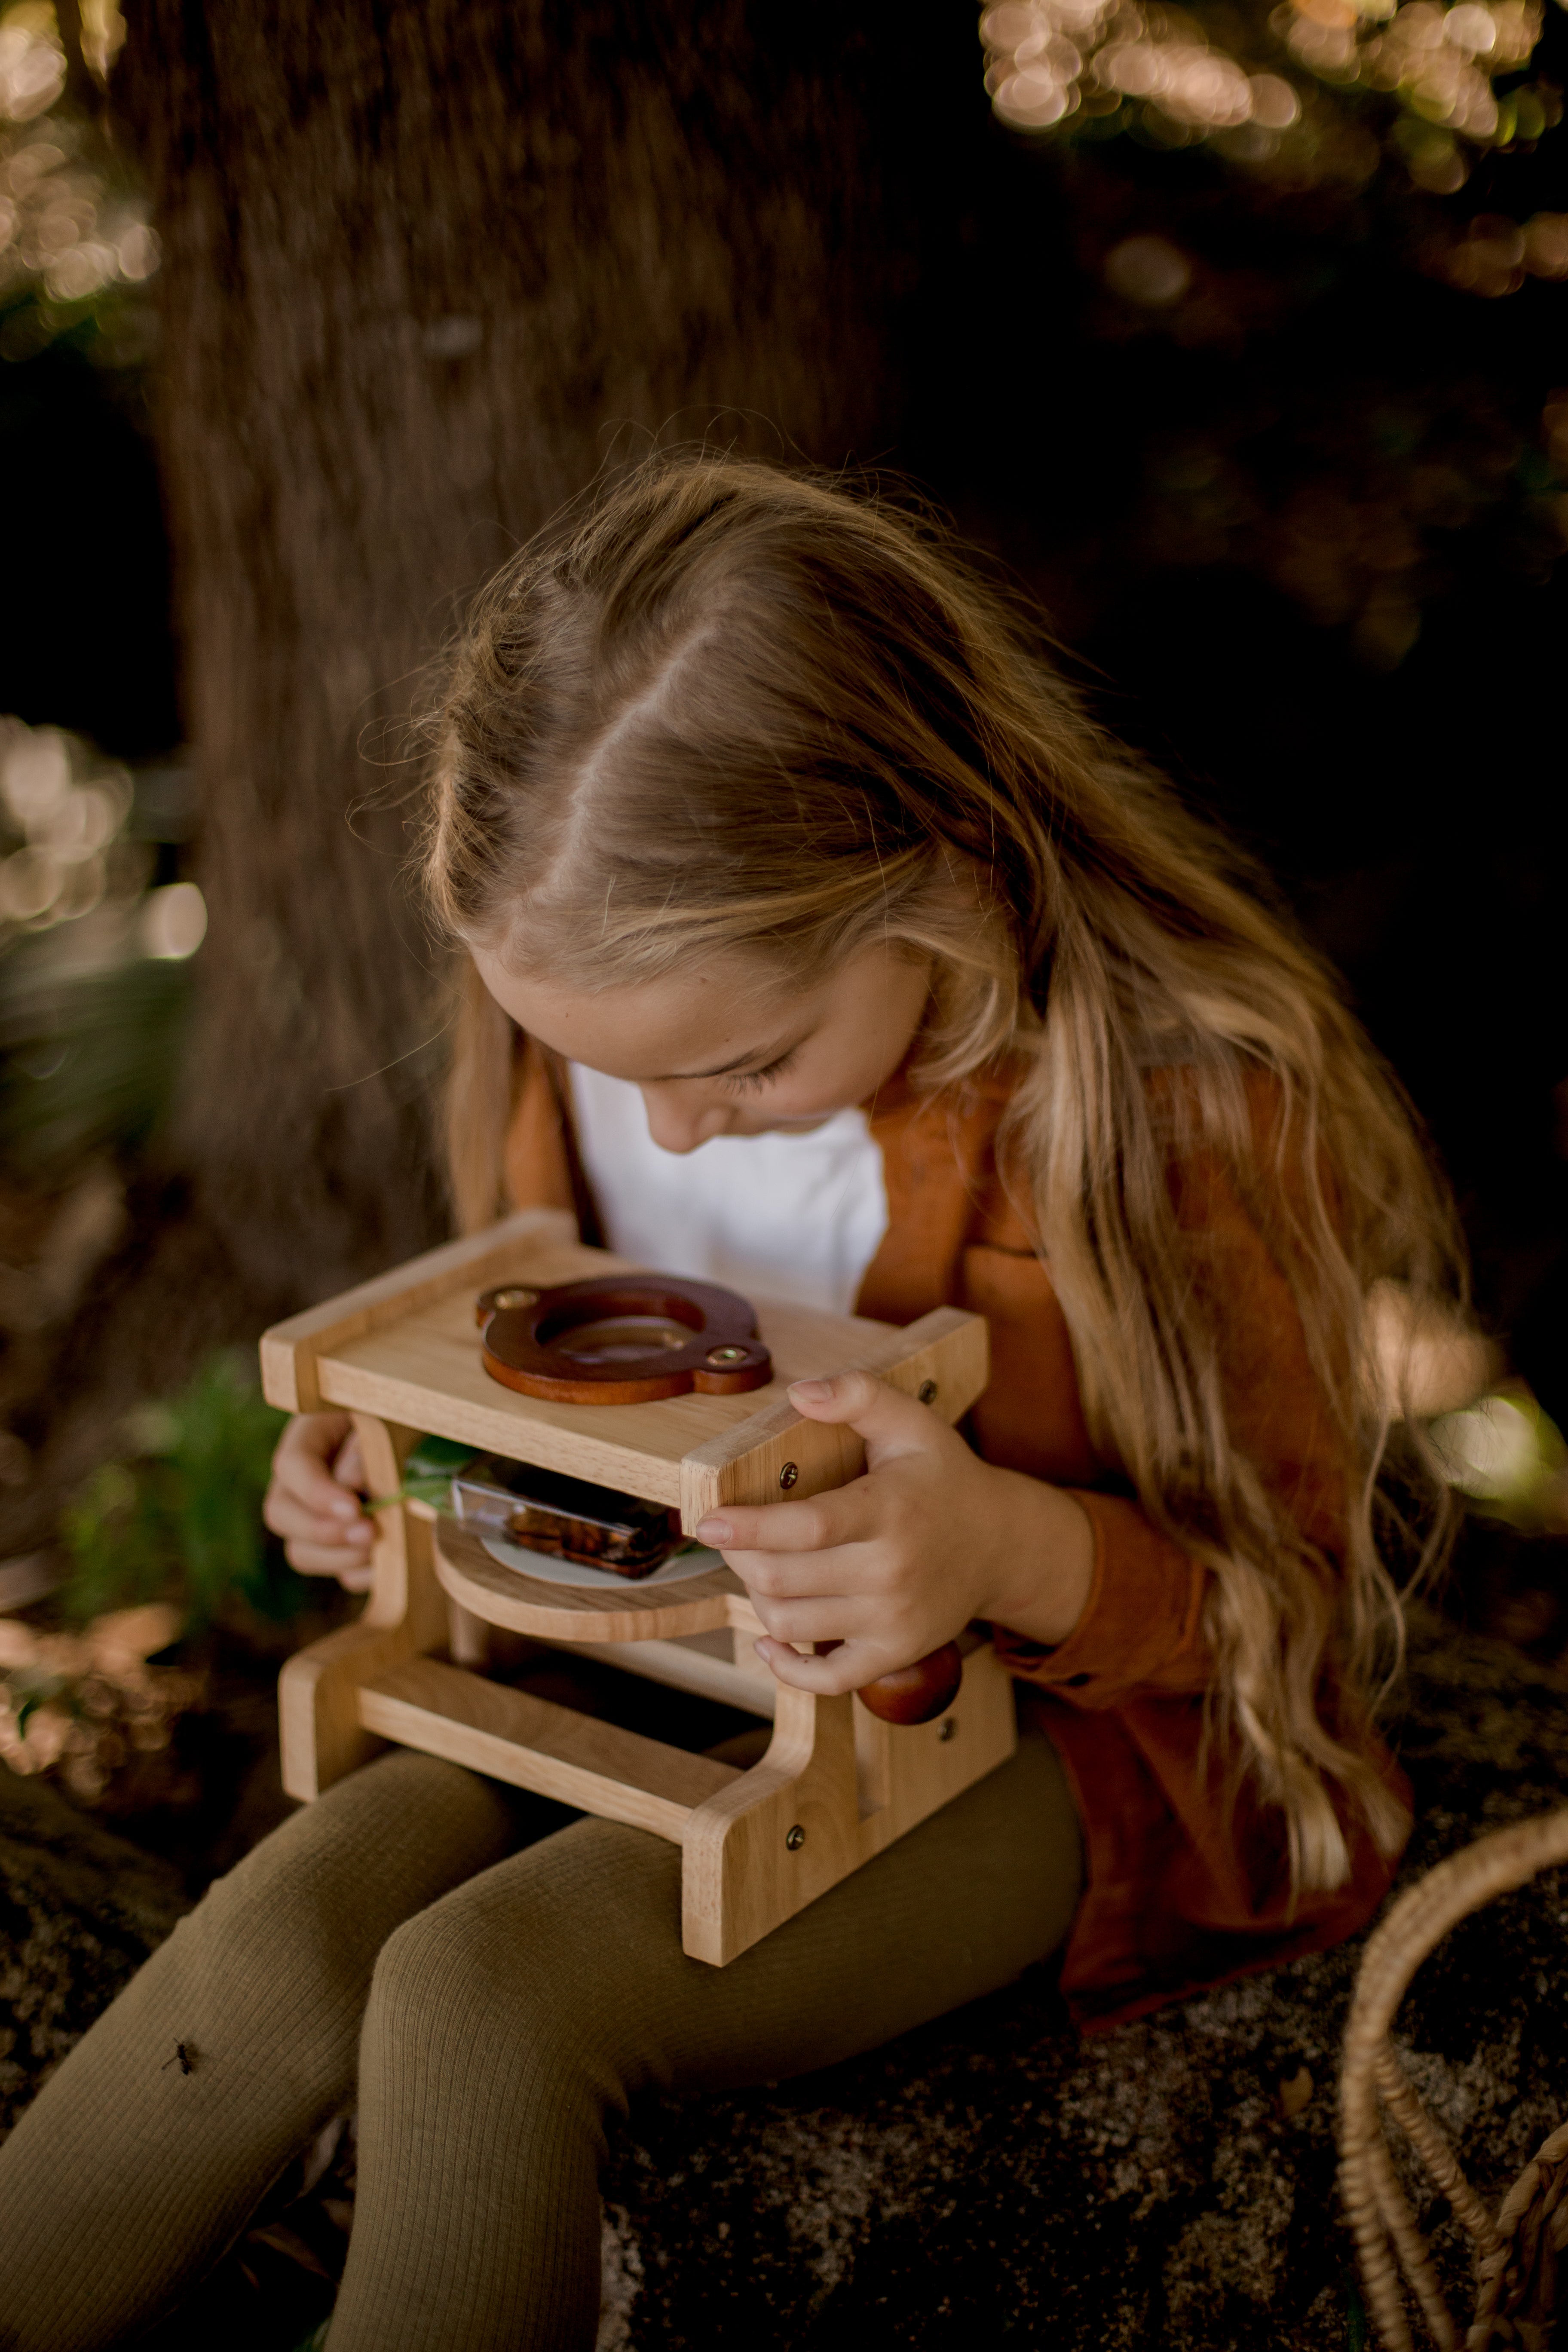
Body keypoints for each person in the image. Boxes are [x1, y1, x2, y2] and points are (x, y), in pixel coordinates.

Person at [0, 457, 1462, 2352]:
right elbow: (552, 1377)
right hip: (639, 1665)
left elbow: (1288, 1610)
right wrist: (416, 1460)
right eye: (611, 1072)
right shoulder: (598, 1044)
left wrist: (1002, 1547)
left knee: (485, 2002)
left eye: (749, 1064)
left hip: (1043, 1750)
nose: (673, 1125)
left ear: (931, 872)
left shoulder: (1169, 1112)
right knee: (286, 1937)